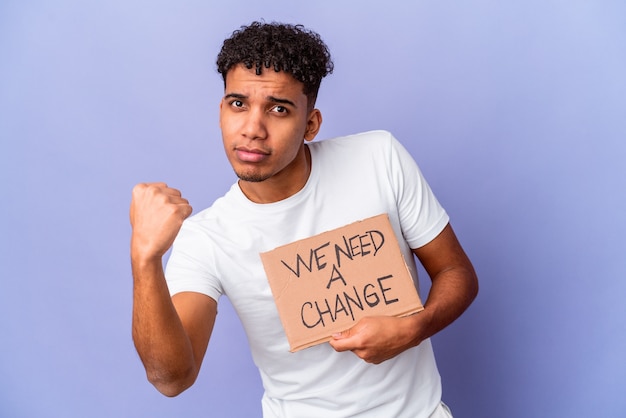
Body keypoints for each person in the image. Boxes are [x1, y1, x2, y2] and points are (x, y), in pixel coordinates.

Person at [130, 21, 478, 418]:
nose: (252, 130)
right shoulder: (208, 237)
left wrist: (416, 328)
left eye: (278, 109)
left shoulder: (379, 158)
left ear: (310, 124)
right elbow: (172, 378)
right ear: (222, 110)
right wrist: (146, 260)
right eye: (238, 104)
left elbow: (455, 270)